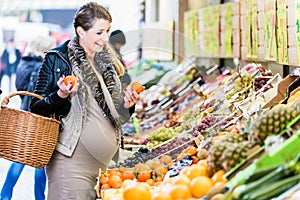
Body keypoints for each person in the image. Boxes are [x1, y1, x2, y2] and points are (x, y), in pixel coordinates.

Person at [29, 2, 140, 199]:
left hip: (106, 166)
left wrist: (128, 106)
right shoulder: (58, 59)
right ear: (81, 31)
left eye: (107, 31)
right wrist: (61, 94)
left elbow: (118, 117)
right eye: (99, 33)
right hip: (71, 165)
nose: (105, 38)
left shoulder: (108, 62)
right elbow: (36, 109)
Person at [0, 35, 56, 200]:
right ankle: (39, 197)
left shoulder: (24, 63)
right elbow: (39, 94)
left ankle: (5, 194)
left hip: (25, 117)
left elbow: (21, 87)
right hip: (38, 118)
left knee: (21, 156)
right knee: (40, 160)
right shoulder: (40, 66)